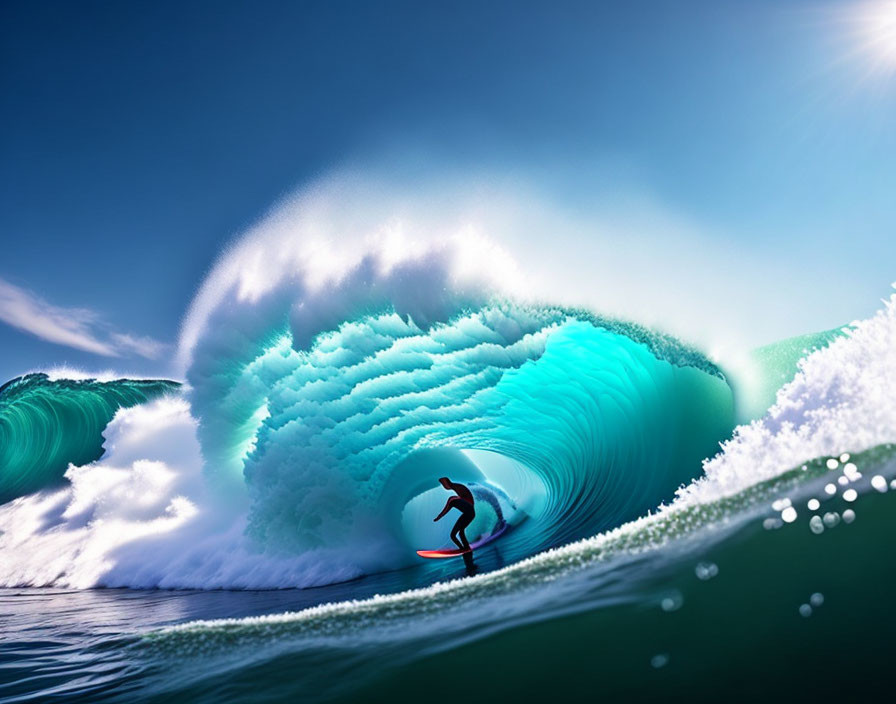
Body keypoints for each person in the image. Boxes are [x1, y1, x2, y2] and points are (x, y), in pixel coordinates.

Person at [433, 477, 476, 552]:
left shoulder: (456, 489)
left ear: (447, 482)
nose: (443, 486)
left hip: (469, 511)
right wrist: (439, 517)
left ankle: (463, 548)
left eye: (443, 483)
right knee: (455, 534)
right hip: (469, 513)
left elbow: (448, 507)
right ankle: (465, 548)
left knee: (451, 500)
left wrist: (439, 516)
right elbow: (448, 507)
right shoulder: (456, 491)